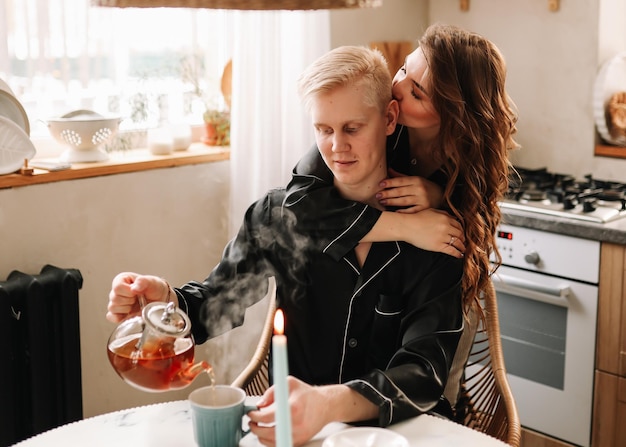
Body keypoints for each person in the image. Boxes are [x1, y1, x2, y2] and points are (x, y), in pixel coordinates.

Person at [107, 45, 463, 447]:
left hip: (399, 437)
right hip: (296, 435)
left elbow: (423, 372)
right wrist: (166, 301)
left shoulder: (433, 236)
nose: (336, 147)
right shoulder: (276, 218)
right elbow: (215, 303)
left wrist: (329, 404)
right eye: (323, 130)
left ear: (389, 119)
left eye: (352, 128)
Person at [286, 23, 519, 312]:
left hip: (426, 312)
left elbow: (469, 237)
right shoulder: (370, 124)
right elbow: (297, 210)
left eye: (417, 94)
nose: (396, 89)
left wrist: (442, 198)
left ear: (453, 113)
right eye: (404, 70)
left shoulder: (470, 159)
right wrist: (409, 227)